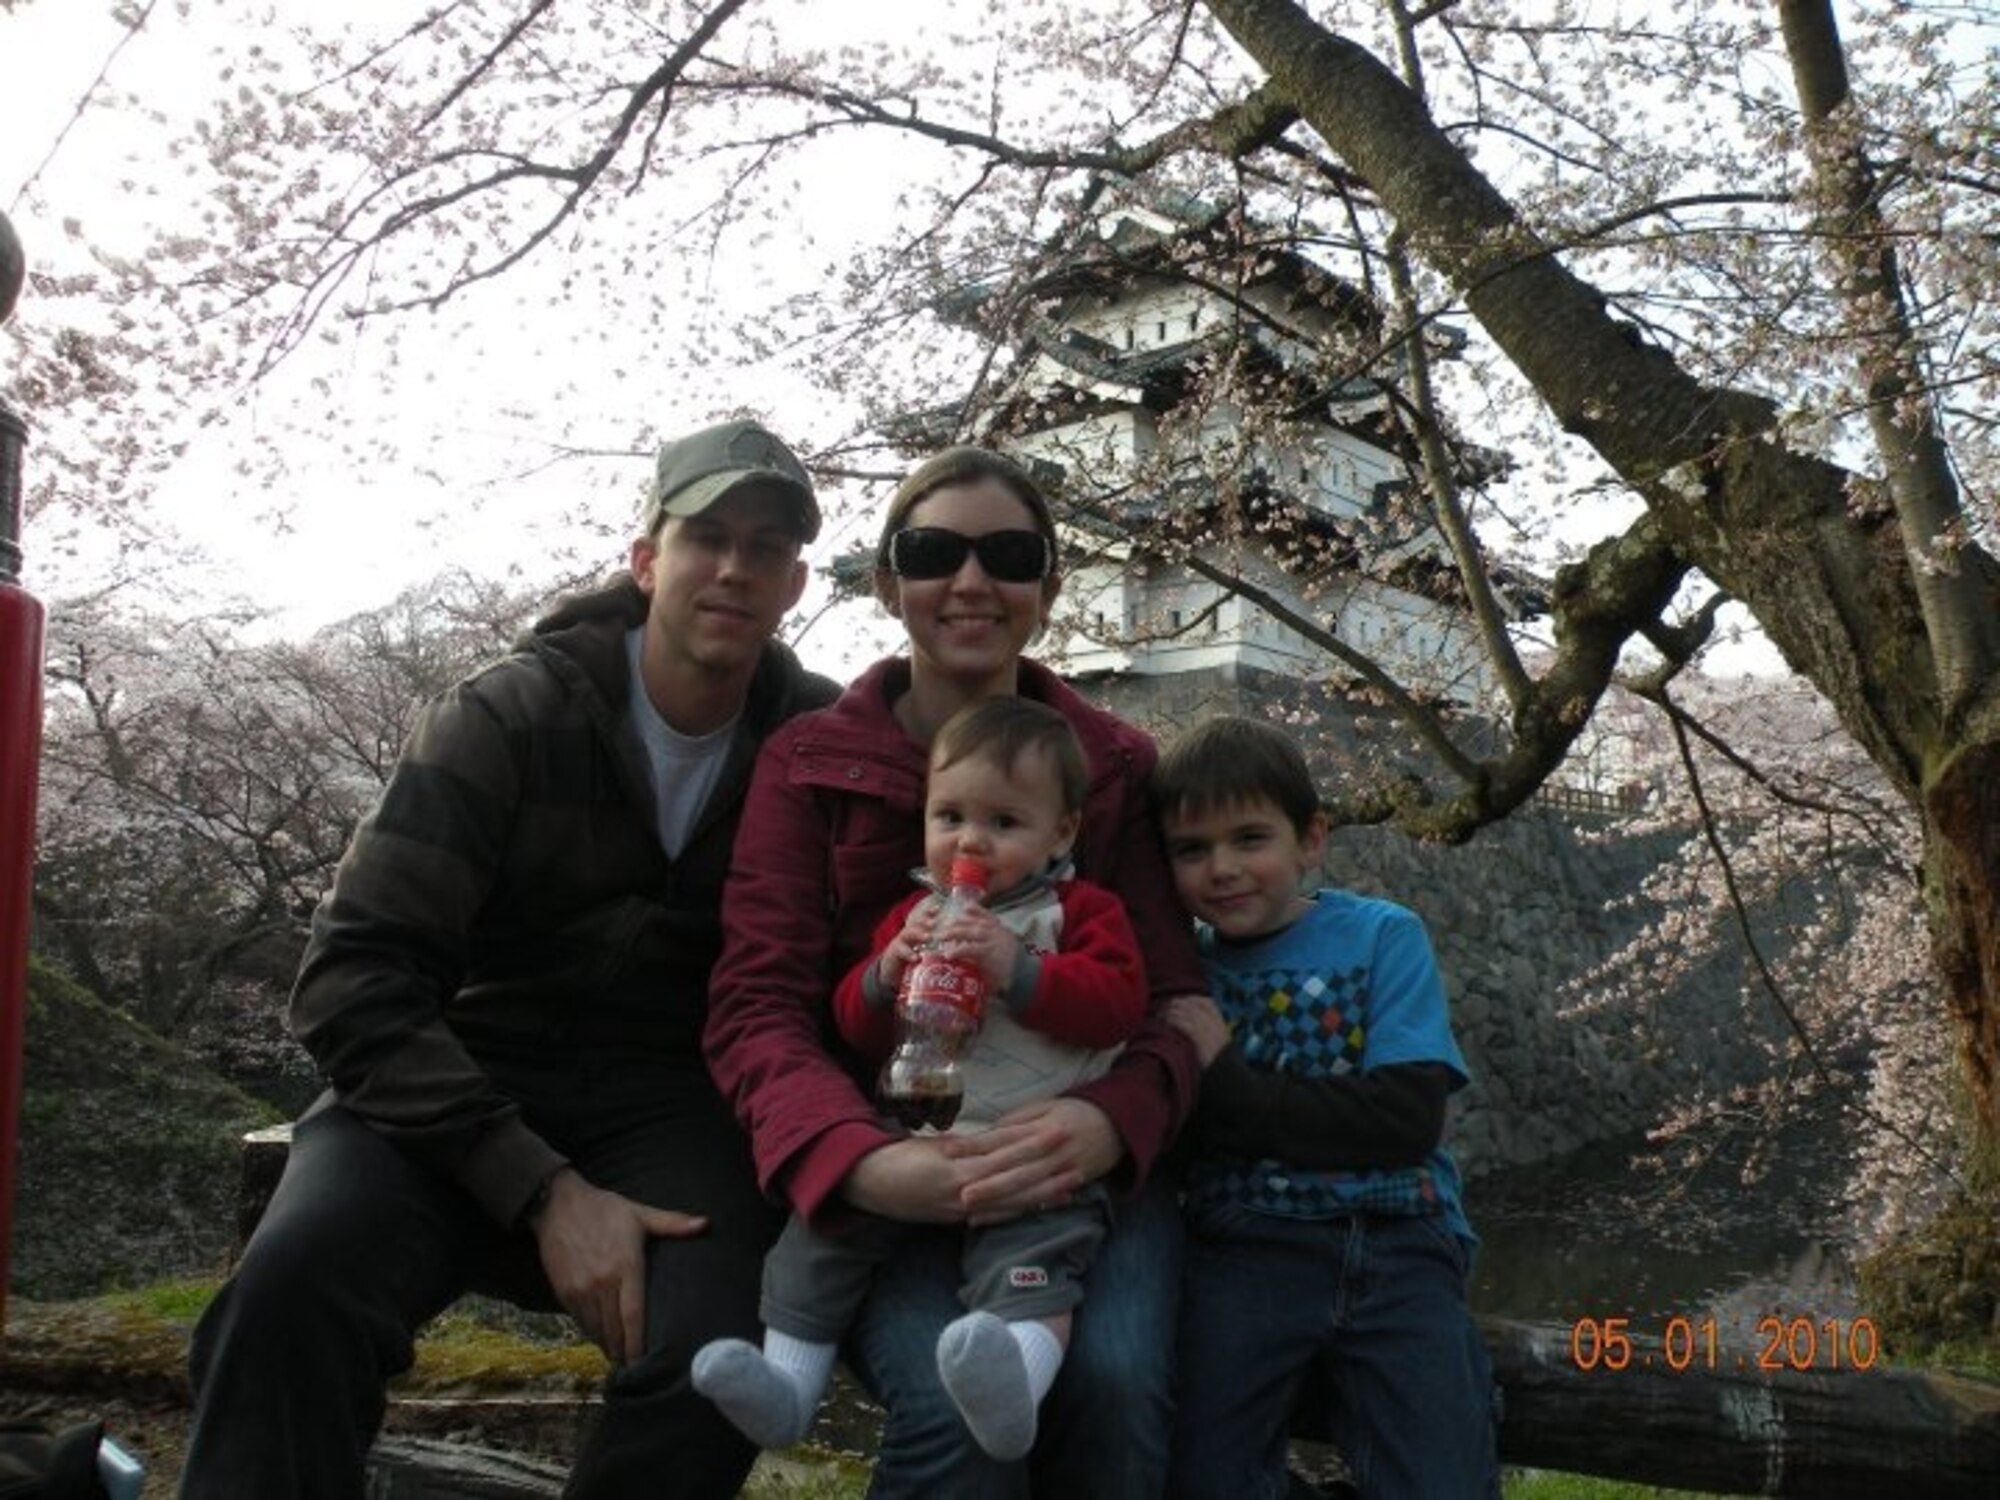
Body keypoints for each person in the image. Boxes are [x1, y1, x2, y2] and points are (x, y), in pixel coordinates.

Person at [179, 419, 841, 1500]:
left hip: (678, 1098)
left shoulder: (814, 742)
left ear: (796, 581)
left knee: (721, 1359)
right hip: (463, 1073)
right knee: (291, 1292)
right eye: (705, 536)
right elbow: (354, 975)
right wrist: (541, 1190)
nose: (732, 567)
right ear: (645, 559)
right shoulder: (512, 713)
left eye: (765, 547)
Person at [704, 445, 1206, 1498]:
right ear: (887, 582)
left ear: (1047, 587)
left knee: (1112, 1382)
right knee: (948, 1409)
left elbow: (1172, 999)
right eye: (933, 552)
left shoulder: (1110, 768)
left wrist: (1110, 1119)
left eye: (1008, 555)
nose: (971, 583)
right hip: (891, 1140)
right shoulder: (805, 763)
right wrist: (854, 1162)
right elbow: (758, 1005)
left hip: (1065, 1154)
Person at [693, 696, 1148, 1463]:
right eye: (950, 819)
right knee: (823, 1235)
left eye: (1004, 824)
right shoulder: (916, 914)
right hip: (914, 1132)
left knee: (1038, 1265)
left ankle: (1011, 1390)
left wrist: (1021, 970)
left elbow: (1118, 1005)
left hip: (1026, 1151)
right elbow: (857, 1027)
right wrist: (884, 973)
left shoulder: (1080, 913)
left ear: (1061, 832)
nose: (971, 840)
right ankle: (786, 1388)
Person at [1152, 715, 1499, 1500]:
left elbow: (1402, 1122)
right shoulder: (1184, 977)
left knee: (1444, 1475)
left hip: (1398, 1244)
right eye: (1191, 849)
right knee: (1200, 1471)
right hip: (1243, 1250)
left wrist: (1230, 1084)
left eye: (1250, 839)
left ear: (1310, 839)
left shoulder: (1382, 937)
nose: (1223, 869)